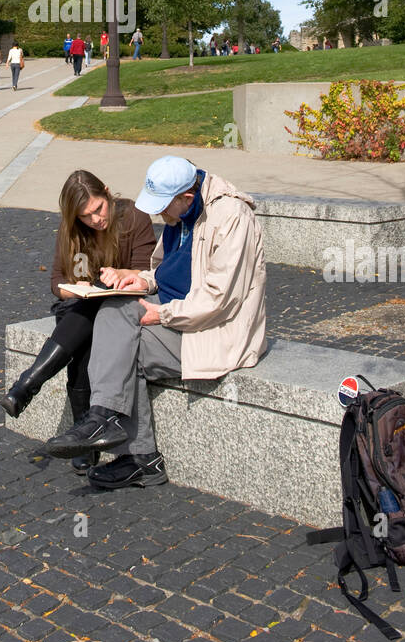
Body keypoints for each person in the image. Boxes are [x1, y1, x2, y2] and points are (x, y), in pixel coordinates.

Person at [46, 155, 267, 490]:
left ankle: (131, 449)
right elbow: (166, 271)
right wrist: (140, 281)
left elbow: (220, 300)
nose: (160, 215)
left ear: (186, 198)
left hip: (213, 330)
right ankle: (112, 427)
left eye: (164, 208)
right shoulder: (185, 212)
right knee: (113, 310)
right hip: (176, 314)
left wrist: (160, 314)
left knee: (124, 344)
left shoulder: (231, 218)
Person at [0, 170, 156, 473]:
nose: (96, 219)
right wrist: (74, 288)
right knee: (85, 318)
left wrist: (123, 275)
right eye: (86, 216)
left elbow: (148, 272)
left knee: (91, 328)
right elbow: (58, 281)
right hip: (80, 307)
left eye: (99, 209)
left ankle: (28, 385)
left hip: (121, 305)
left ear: (107, 193)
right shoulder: (73, 229)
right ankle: (84, 433)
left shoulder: (134, 217)